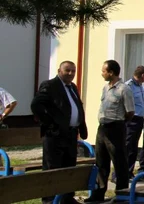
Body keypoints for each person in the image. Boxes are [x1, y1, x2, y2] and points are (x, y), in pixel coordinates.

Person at [30, 60, 87, 204]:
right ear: (59, 71)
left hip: (71, 134)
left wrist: (81, 126)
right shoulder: (50, 85)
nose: (71, 73)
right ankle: (49, 200)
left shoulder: (73, 87)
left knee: (69, 167)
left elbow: (77, 106)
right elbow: (36, 105)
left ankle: (66, 198)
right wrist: (50, 123)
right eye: (67, 70)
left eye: (73, 71)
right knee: (52, 168)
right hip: (55, 135)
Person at [85, 60, 135, 203]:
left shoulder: (124, 89)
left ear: (111, 72)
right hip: (102, 128)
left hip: (116, 128)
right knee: (101, 162)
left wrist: (119, 123)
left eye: (104, 71)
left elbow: (130, 111)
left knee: (119, 163)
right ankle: (98, 194)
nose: (102, 74)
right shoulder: (106, 88)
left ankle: (121, 194)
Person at [124, 66, 144, 179]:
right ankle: (121, 173)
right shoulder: (128, 86)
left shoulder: (140, 86)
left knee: (133, 147)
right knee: (128, 146)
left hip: (139, 119)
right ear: (142, 75)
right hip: (131, 119)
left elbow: (142, 104)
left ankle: (129, 171)